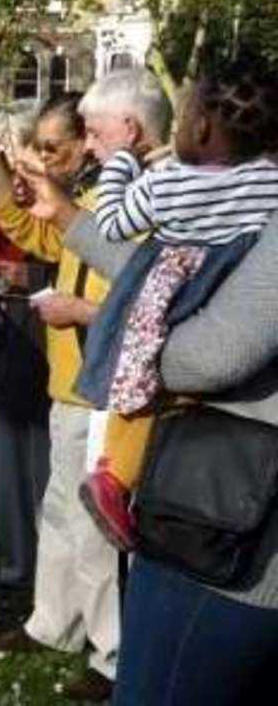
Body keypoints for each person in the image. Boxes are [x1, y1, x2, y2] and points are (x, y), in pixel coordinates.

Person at [19, 122, 278, 706]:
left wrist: (123, 337)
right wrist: (66, 217)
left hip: (234, 543)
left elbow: (212, 355)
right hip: (221, 515)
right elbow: (169, 275)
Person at [0, 91, 142, 702]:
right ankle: (54, 621)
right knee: (60, 512)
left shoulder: (132, 203)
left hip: (107, 391)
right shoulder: (88, 200)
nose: (69, 152)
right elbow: (31, 232)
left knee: (96, 528)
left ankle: (112, 652)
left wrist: (82, 311)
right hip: (69, 386)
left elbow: (140, 299)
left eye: (57, 145)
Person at [75, 59, 278, 550]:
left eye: (182, 119)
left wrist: (121, 161)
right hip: (228, 280)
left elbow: (115, 224)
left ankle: (114, 473)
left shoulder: (170, 183)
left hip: (172, 282)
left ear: (202, 127)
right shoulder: (266, 180)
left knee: (141, 373)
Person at [0, 109, 53, 590]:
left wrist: (34, 277)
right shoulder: (5, 201)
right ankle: (17, 560)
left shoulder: (58, 197)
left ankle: (46, 569)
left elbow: (79, 260)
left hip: (44, 341)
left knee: (42, 464)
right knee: (7, 457)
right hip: (6, 333)